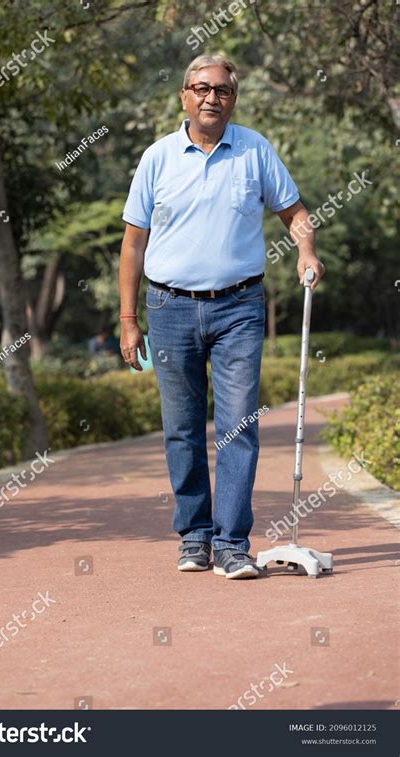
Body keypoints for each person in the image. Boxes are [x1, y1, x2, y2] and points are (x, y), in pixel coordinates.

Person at [118, 54, 325, 579]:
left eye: (223, 91)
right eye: (202, 89)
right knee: (182, 429)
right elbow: (133, 242)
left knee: (237, 428)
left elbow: (295, 214)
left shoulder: (255, 150)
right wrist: (127, 317)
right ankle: (194, 537)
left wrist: (306, 251)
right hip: (169, 309)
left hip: (239, 307)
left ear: (233, 98)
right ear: (184, 96)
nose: (212, 98)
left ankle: (232, 544)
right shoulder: (157, 158)